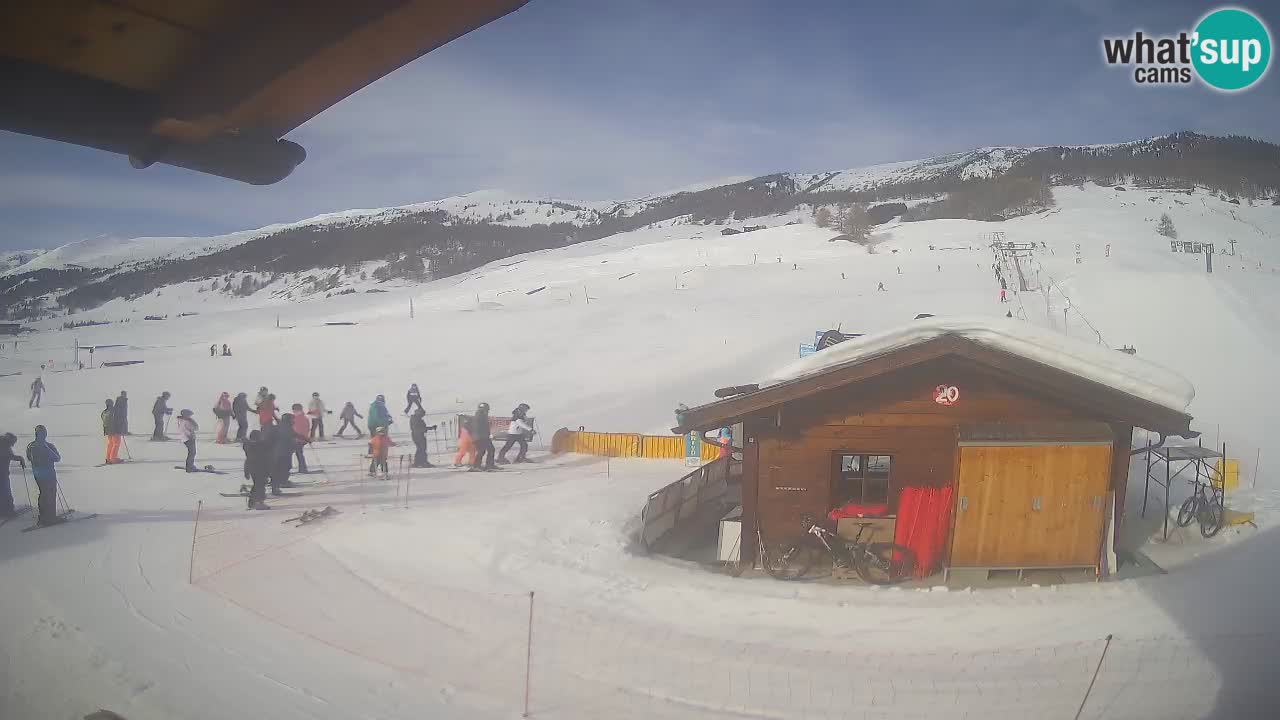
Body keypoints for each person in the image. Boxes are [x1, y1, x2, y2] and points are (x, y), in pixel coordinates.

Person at [25, 425, 62, 526]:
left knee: (44, 494)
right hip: (47, 474)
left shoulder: (31, 446)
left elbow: (29, 458)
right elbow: (57, 458)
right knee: (49, 494)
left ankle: (44, 516)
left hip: (38, 474)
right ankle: (49, 517)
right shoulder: (47, 446)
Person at [241, 430, 273, 510]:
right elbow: (265, 458)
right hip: (260, 469)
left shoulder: (251, 446)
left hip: (254, 469)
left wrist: (247, 471)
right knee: (260, 486)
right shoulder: (258, 446)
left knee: (257, 485)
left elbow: (248, 460)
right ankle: (259, 502)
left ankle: (252, 502)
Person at [266, 419, 297, 494]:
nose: (293, 422)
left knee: (276, 471)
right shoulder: (287, 428)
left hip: (275, 453)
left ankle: (276, 486)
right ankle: (282, 482)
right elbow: (294, 436)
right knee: (284, 468)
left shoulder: (276, 428)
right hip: (284, 453)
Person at [1, 432, 26, 518]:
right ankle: (7, 511)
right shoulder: (4, 446)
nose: (13, 445)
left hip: (3, 473)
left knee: (4, 492)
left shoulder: (4, 445)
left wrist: (20, 459)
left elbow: (9, 456)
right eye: (13, 443)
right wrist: (21, 459)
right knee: (6, 492)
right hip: (2, 474)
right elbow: (10, 456)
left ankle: (5, 510)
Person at [469, 403, 496, 472]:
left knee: (490, 449)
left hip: (484, 436)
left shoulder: (482, 415)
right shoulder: (480, 415)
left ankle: (489, 465)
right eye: (486, 409)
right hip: (480, 437)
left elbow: (485, 426)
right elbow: (480, 427)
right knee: (482, 451)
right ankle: (476, 466)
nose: (487, 411)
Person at [289, 405, 310, 472]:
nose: (293, 411)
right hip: (302, 438)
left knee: (297, 453)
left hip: (297, 439)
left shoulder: (297, 418)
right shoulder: (304, 418)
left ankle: (302, 468)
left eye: (294, 410)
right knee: (299, 453)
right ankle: (302, 468)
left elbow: (296, 429)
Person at [101, 399, 122, 464]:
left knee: (110, 444)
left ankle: (108, 458)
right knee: (116, 443)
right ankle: (113, 458)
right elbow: (117, 420)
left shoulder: (104, 411)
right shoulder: (113, 410)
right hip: (114, 430)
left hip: (107, 430)